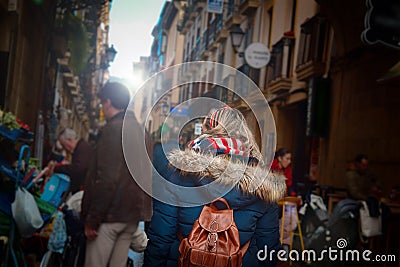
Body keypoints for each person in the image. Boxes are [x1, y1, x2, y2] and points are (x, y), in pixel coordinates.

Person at [144, 107, 286, 267]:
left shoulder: (181, 173)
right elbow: (267, 248)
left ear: (207, 131)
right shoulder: (262, 185)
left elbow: (160, 239)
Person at [81, 82, 152, 267]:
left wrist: (92, 219)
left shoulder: (113, 129)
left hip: (109, 217)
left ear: (108, 102)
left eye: (102, 103)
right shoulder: (143, 133)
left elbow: (107, 179)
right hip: (131, 216)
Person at [47, 128, 93, 194]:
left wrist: (57, 168)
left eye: (63, 145)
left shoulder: (83, 148)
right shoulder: (81, 148)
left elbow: (78, 168)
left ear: (69, 140)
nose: (64, 148)